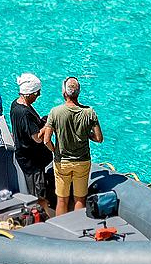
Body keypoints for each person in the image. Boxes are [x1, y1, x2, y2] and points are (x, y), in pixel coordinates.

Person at [40, 76, 103, 216]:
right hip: (82, 161)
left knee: (62, 200)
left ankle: (61, 231)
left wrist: (55, 150)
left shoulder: (55, 112)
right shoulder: (89, 112)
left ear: (64, 93)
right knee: (79, 199)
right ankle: (78, 227)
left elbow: (46, 140)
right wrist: (87, 134)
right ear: (78, 93)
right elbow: (99, 138)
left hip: (62, 162)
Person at [10, 73, 53, 205]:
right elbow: (38, 138)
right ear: (29, 94)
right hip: (32, 161)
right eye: (37, 93)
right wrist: (48, 124)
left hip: (26, 156)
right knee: (38, 193)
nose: (38, 95)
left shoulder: (15, 105)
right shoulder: (24, 113)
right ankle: (42, 216)